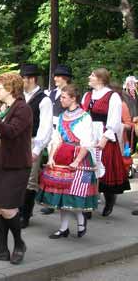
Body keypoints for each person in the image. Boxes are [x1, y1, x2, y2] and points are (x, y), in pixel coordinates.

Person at [0, 72, 32, 265]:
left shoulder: (23, 109)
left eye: (0, 88)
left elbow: (11, 132)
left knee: (8, 208)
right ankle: (2, 249)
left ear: (10, 89)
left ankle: (19, 244)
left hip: (15, 166)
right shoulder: (5, 107)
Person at [36, 85, 98, 238]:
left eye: (63, 97)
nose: (61, 100)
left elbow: (87, 142)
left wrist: (77, 161)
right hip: (62, 156)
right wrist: (51, 157)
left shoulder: (85, 117)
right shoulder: (63, 116)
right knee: (63, 194)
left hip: (79, 158)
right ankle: (64, 228)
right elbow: (56, 138)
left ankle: (80, 220)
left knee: (74, 194)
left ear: (73, 98)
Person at [81, 68, 130, 217]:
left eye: (93, 75)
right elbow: (83, 115)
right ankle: (87, 206)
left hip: (104, 135)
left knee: (105, 172)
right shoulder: (87, 95)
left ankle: (109, 200)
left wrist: (104, 139)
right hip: (89, 134)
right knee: (87, 171)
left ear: (101, 79)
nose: (89, 77)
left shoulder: (112, 96)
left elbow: (114, 121)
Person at [19, 64, 53, 228]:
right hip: (18, 141)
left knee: (30, 180)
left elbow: (45, 127)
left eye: (23, 78)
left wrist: (37, 149)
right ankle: (17, 211)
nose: (21, 81)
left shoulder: (44, 99)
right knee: (18, 177)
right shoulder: (19, 96)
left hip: (33, 141)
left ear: (31, 79)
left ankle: (25, 215)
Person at [41, 64, 73, 216]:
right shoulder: (51, 93)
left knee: (62, 166)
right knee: (51, 165)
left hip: (64, 130)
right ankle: (51, 201)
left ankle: (69, 199)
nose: (55, 78)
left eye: (58, 76)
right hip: (50, 128)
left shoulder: (70, 93)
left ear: (65, 78)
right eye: (55, 76)